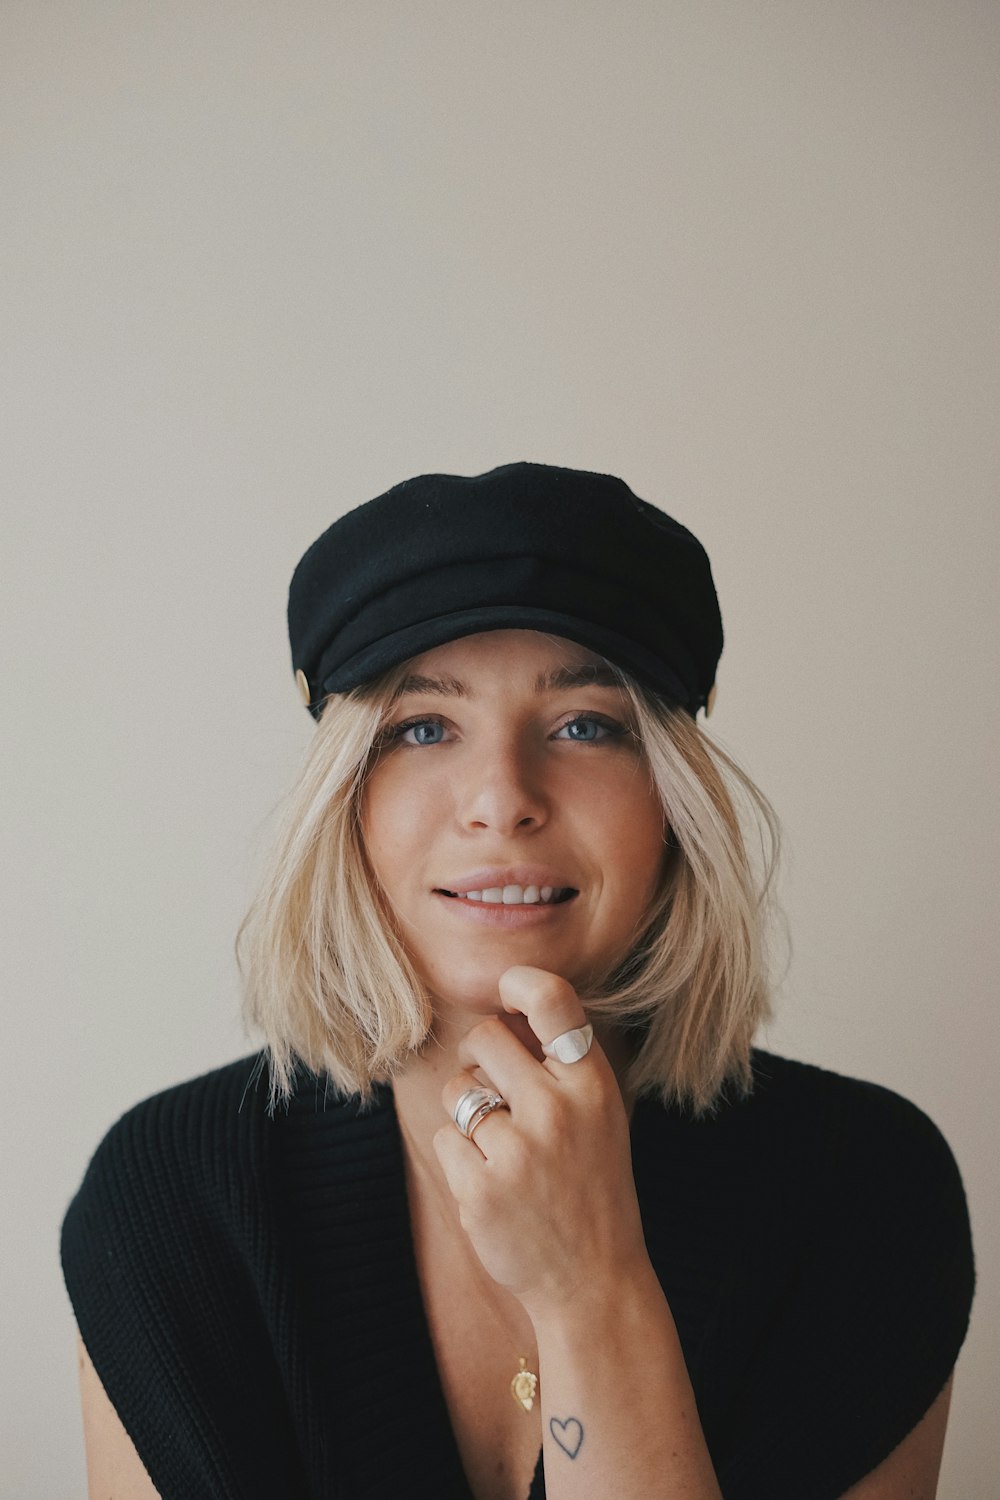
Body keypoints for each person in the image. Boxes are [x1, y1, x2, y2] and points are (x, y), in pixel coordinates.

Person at [61, 461, 975, 1500]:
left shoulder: (863, 1194)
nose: (501, 799)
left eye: (586, 725)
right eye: (421, 727)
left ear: (672, 804)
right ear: (344, 803)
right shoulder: (173, 1200)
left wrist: (591, 1291)